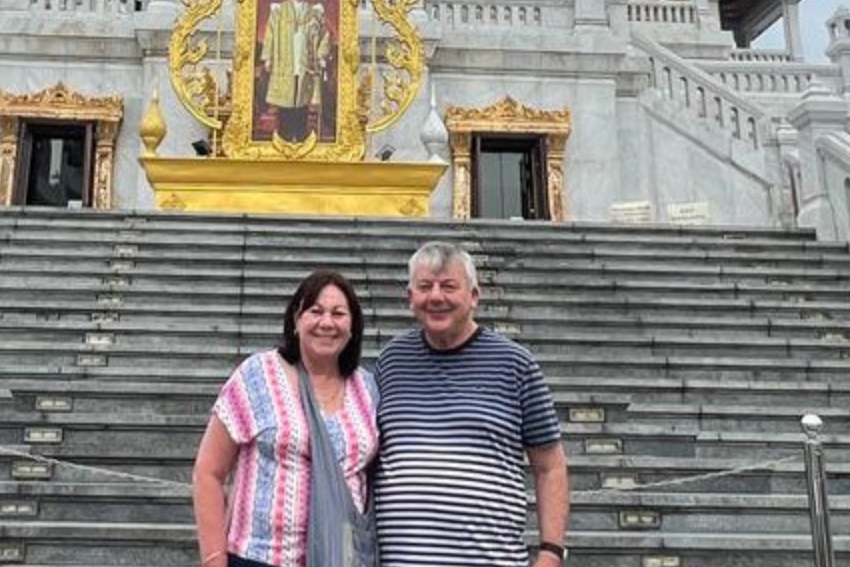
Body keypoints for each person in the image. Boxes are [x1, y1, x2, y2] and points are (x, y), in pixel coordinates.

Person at [374, 241, 571, 567]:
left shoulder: (516, 364)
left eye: (449, 286)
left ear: (474, 296)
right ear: (411, 298)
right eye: (425, 287)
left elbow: (550, 466)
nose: (436, 297)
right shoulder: (391, 361)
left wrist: (551, 551)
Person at [193, 270, 380, 567]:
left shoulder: (367, 388)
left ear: (353, 326)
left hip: (342, 557)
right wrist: (214, 559)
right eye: (315, 311)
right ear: (296, 321)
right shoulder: (258, 375)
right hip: (260, 556)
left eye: (338, 313)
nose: (326, 323)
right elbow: (208, 472)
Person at [260, 0, 331, 141]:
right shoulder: (279, 11)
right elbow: (270, 34)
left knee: (302, 99)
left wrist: (321, 55)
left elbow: (325, 35)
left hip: (305, 60)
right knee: (286, 99)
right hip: (284, 60)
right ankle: (285, 134)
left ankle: (299, 135)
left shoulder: (314, 11)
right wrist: (268, 57)